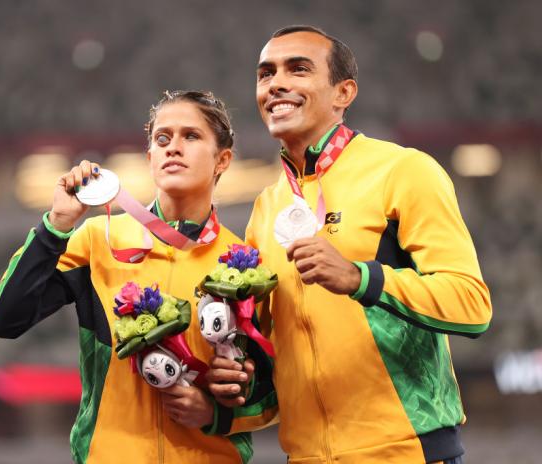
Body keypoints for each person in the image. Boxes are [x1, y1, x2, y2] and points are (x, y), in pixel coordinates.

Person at [207, 25, 492, 464]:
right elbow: (274, 349)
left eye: (298, 69)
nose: (276, 83)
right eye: (266, 74)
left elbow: (472, 305)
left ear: (344, 92)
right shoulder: (266, 207)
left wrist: (362, 277)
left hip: (404, 452)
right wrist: (233, 373)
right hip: (305, 456)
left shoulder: (404, 170)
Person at [0, 90, 276, 464]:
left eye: (191, 136)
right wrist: (56, 225)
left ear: (222, 160)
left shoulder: (245, 265)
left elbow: (277, 394)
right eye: (162, 139)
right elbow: (4, 320)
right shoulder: (98, 240)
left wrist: (215, 412)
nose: (173, 147)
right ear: (150, 157)